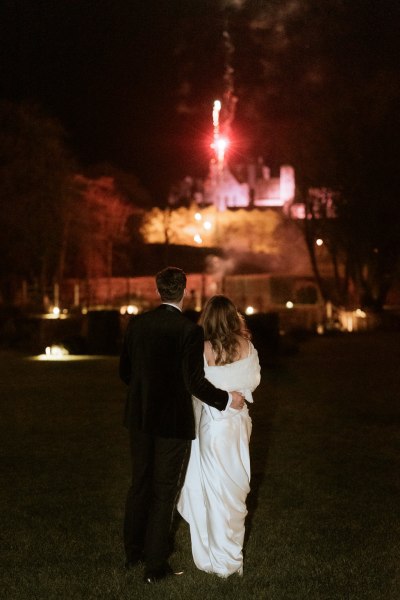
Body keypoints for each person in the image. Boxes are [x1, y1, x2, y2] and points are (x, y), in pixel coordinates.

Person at [119, 268, 245, 584]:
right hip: (172, 423)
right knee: (164, 492)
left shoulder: (137, 325)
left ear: (158, 290)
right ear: (184, 291)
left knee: (140, 484)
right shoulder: (188, 331)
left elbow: (125, 373)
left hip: (140, 418)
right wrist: (228, 399)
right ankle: (155, 566)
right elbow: (194, 382)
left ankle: (134, 553)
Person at [177, 295, 261, 578]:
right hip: (237, 426)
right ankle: (229, 558)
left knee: (215, 491)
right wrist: (233, 388)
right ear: (233, 317)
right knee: (235, 489)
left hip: (213, 428)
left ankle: (220, 557)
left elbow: (194, 385)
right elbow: (254, 381)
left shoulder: (202, 349)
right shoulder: (247, 346)